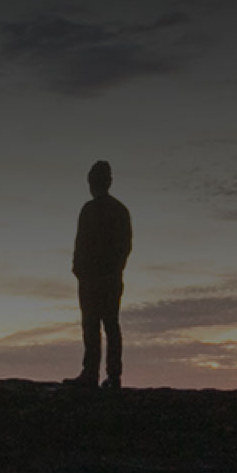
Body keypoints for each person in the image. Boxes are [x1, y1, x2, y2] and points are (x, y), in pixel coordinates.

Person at [70, 160, 133, 388]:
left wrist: (89, 269)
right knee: (100, 325)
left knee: (102, 325)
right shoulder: (115, 210)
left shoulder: (98, 210)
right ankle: (99, 374)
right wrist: (79, 269)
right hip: (100, 277)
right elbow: (82, 244)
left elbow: (122, 247)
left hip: (101, 277)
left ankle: (102, 374)